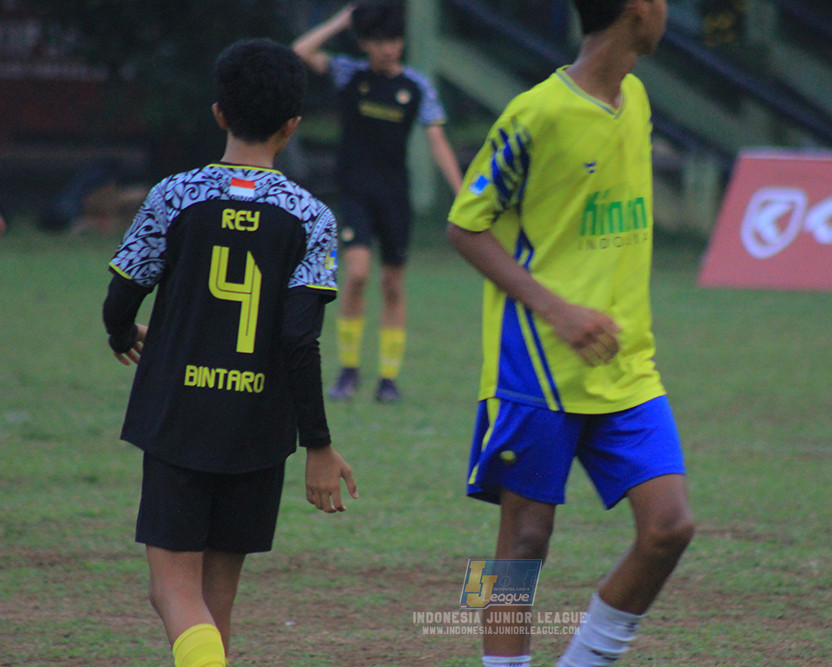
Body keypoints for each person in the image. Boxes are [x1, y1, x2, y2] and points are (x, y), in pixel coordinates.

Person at [445, 1, 695, 666]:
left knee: (669, 526)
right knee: (523, 538)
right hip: (536, 361)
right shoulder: (536, 112)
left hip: (628, 365)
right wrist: (557, 309)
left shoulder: (635, 97)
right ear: (638, 11)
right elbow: (465, 226)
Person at [102, 38, 358, 667]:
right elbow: (300, 340)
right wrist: (318, 445)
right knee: (217, 602)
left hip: (178, 415)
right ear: (293, 126)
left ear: (219, 113)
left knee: (173, 591)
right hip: (258, 427)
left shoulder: (174, 195)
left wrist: (120, 333)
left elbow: (120, 297)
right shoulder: (312, 216)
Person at [293, 0, 464, 403]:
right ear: (365, 43)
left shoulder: (416, 86)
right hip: (355, 193)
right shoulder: (348, 75)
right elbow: (301, 52)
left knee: (392, 284)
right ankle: (348, 371)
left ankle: (388, 379)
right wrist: (341, 20)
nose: (388, 48)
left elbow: (437, 139)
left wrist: (462, 195)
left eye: (394, 39)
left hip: (394, 197)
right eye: (379, 40)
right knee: (356, 274)